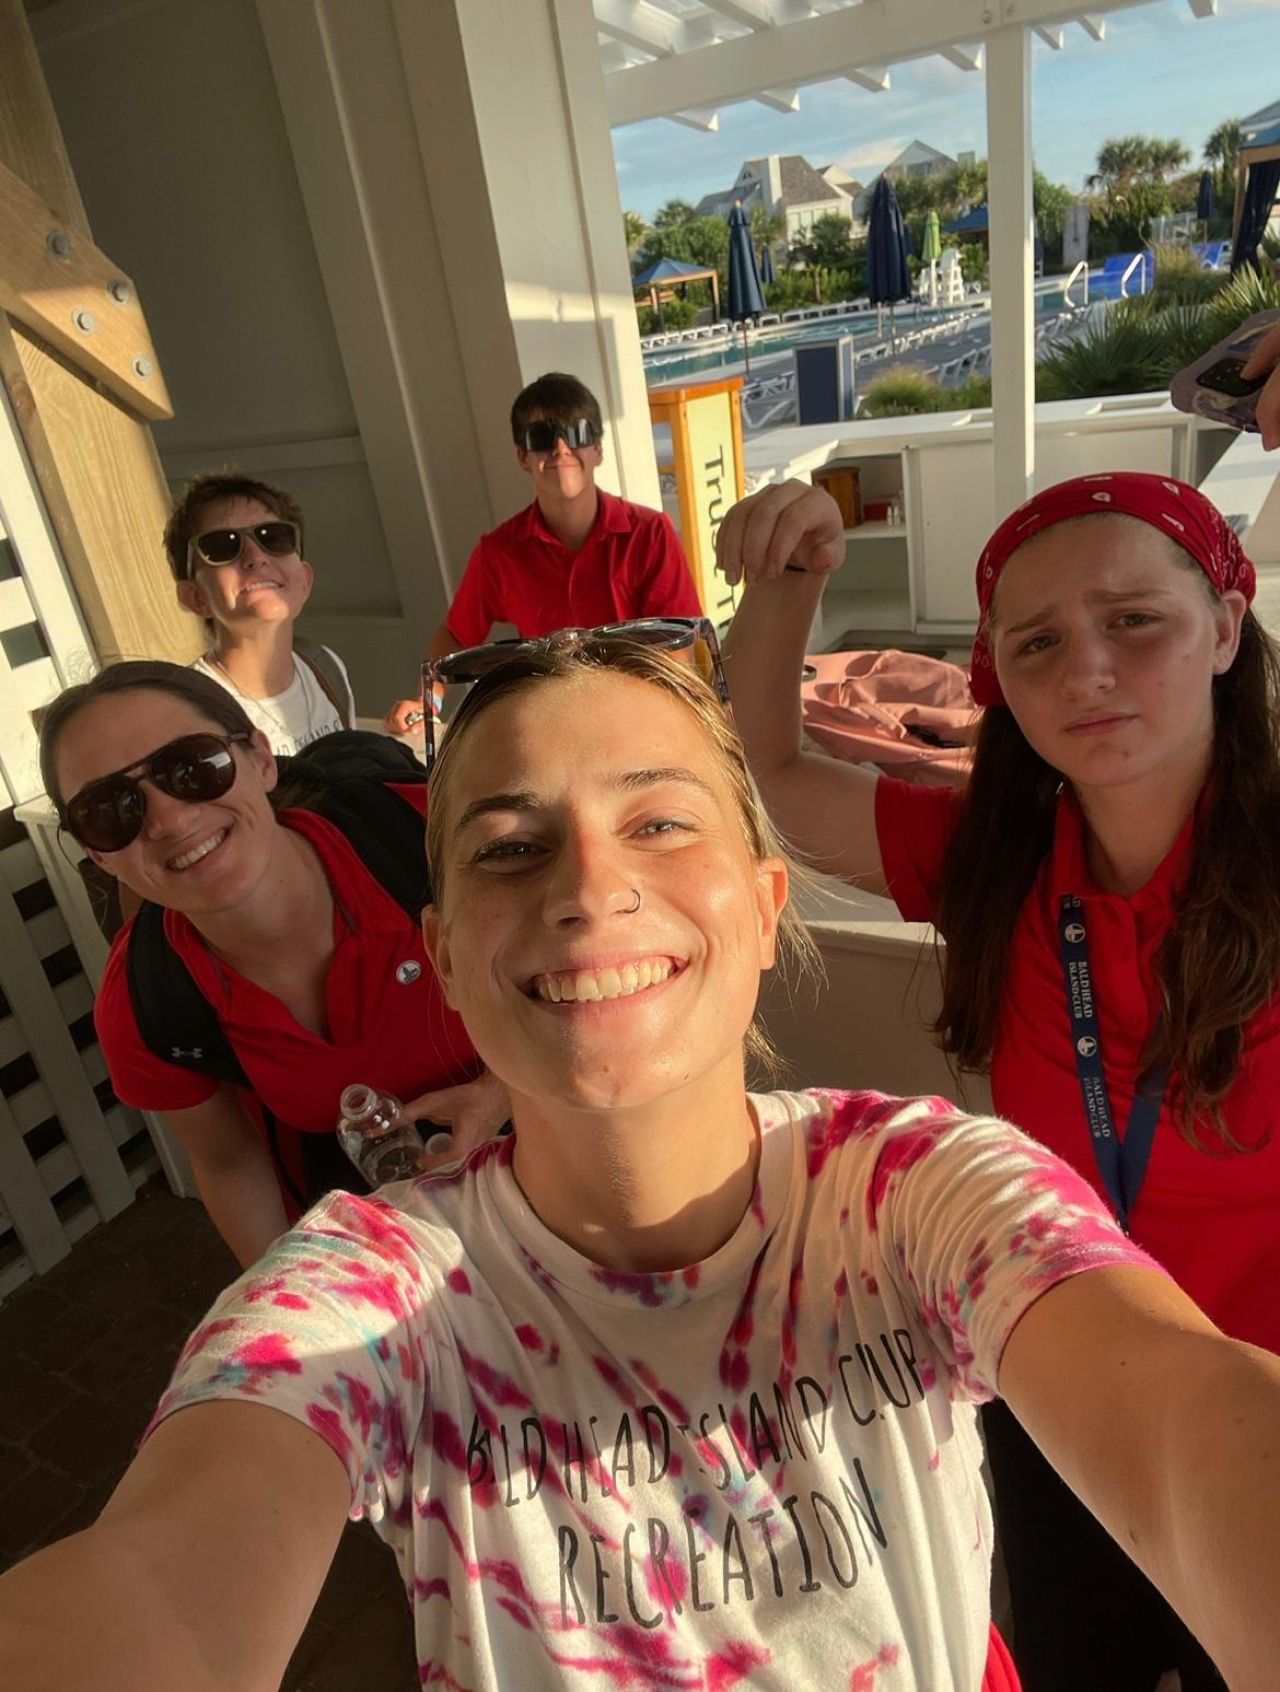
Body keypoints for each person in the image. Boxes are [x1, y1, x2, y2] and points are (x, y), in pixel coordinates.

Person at [3, 631, 1279, 1692]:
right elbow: (164, 1575)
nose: (588, 888)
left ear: (767, 908)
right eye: (510, 848)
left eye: (659, 821)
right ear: (443, 956)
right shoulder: (373, 1296)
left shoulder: (915, 1187)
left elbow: (1190, 1418)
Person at [719, 469, 1280, 1691]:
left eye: (1132, 620)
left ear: (1224, 627)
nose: (1085, 671)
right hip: (1053, 1382)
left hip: (1256, 1416)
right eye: (1036, 644)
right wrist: (788, 584)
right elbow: (762, 775)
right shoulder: (995, 856)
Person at [40, 661, 507, 1269]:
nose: (169, 820)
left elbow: (590, 978)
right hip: (390, 1249)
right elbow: (228, 1162)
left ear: (261, 759)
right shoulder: (147, 998)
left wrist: (498, 1097)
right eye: (110, 809)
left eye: (192, 767)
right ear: (98, 855)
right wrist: (282, 1298)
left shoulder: (432, 836)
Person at [383, 371, 701, 731]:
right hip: (549, 724)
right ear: (523, 456)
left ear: (597, 449)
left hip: (639, 719)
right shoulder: (498, 552)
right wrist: (428, 702)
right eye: (543, 437)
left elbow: (678, 649)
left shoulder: (651, 534)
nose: (561, 448)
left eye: (577, 433)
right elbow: (455, 634)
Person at [165, 471, 357, 756]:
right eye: (223, 546)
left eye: (274, 537)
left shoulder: (326, 667)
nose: (255, 557)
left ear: (305, 581)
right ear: (195, 597)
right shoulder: (186, 715)